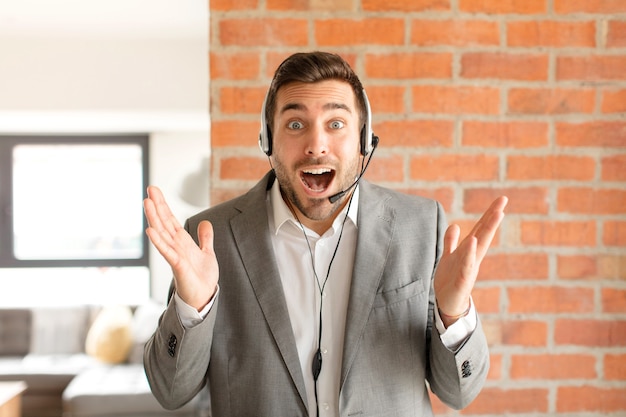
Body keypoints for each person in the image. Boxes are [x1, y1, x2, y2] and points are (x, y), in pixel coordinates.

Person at [143, 51, 508, 417]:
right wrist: (193, 307)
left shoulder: (420, 226)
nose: (316, 145)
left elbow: (458, 393)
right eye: (296, 124)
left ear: (365, 139)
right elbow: (170, 391)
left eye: (336, 124)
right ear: (267, 139)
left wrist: (453, 314)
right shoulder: (211, 237)